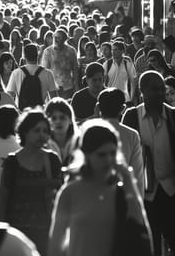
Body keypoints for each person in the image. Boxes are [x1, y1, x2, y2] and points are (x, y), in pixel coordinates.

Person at [48, 119, 153, 256]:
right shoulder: (70, 191)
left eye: (112, 153)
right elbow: (55, 243)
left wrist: (129, 183)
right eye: (101, 154)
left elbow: (141, 231)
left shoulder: (121, 192)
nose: (109, 160)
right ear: (86, 155)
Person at [122, 70, 175, 256]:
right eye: (155, 89)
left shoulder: (173, 116)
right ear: (142, 91)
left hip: (171, 193)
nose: (160, 93)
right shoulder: (131, 117)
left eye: (162, 89)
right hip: (144, 196)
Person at [0, 109, 62, 256]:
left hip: (45, 232)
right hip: (16, 232)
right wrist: (2, 231)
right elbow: (3, 199)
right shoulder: (12, 162)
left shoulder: (52, 160)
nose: (42, 135)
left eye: (45, 131)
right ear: (25, 132)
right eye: (36, 130)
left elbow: (60, 197)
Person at [98, 88, 144, 196]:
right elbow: (137, 175)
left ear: (98, 108)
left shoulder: (87, 133)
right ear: (123, 109)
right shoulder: (132, 135)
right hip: (123, 199)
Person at [7, 43, 58, 110]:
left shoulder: (16, 73)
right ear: (38, 55)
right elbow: (54, 98)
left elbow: (9, 96)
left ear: (24, 56)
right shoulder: (48, 73)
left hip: (22, 114)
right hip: (40, 113)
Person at [42, 28, 79, 100]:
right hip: (53, 86)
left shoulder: (71, 51)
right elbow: (45, 70)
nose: (56, 40)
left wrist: (76, 84)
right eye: (55, 37)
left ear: (64, 39)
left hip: (68, 85)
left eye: (59, 38)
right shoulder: (48, 51)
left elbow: (75, 68)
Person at [45, 97, 78, 164]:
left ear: (70, 120)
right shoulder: (43, 144)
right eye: (53, 118)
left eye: (62, 117)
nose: (58, 122)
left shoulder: (79, 141)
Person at [103, 40, 136, 105]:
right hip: (110, 98)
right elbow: (103, 82)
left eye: (116, 50)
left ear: (122, 51)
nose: (113, 52)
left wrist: (131, 99)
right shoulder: (107, 64)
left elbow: (133, 82)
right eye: (112, 50)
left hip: (125, 99)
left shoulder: (128, 64)